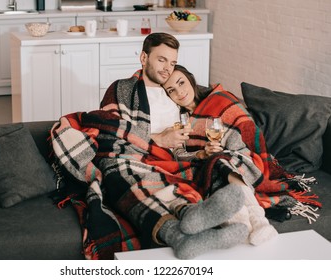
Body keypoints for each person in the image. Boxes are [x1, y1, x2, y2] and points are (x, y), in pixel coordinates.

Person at [51, 33, 249, 260]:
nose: (167, 68)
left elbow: (179, 149)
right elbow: (108, 128)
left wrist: (197, 153)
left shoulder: (173, 98)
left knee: (185, 178)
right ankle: (183, 234)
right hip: (126, 156)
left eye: (172, 62)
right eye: (162, 60)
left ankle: (191, 218)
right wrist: (156, 138)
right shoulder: (123, 87)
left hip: (165, 162)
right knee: (122, 175)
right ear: (144, 58)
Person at [162, 64, 279, 245]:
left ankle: (257, 221)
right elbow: (178, 154)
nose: (180, 92)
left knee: (221, 161)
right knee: (216, 164)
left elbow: (243, 131)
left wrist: (222, 149)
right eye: (171, 90)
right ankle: (246, 225)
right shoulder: (177, 119)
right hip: (204, 166)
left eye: (181, 83)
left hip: (238, 157)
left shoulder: (219, 99)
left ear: (191, 80)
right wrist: (200, 154)